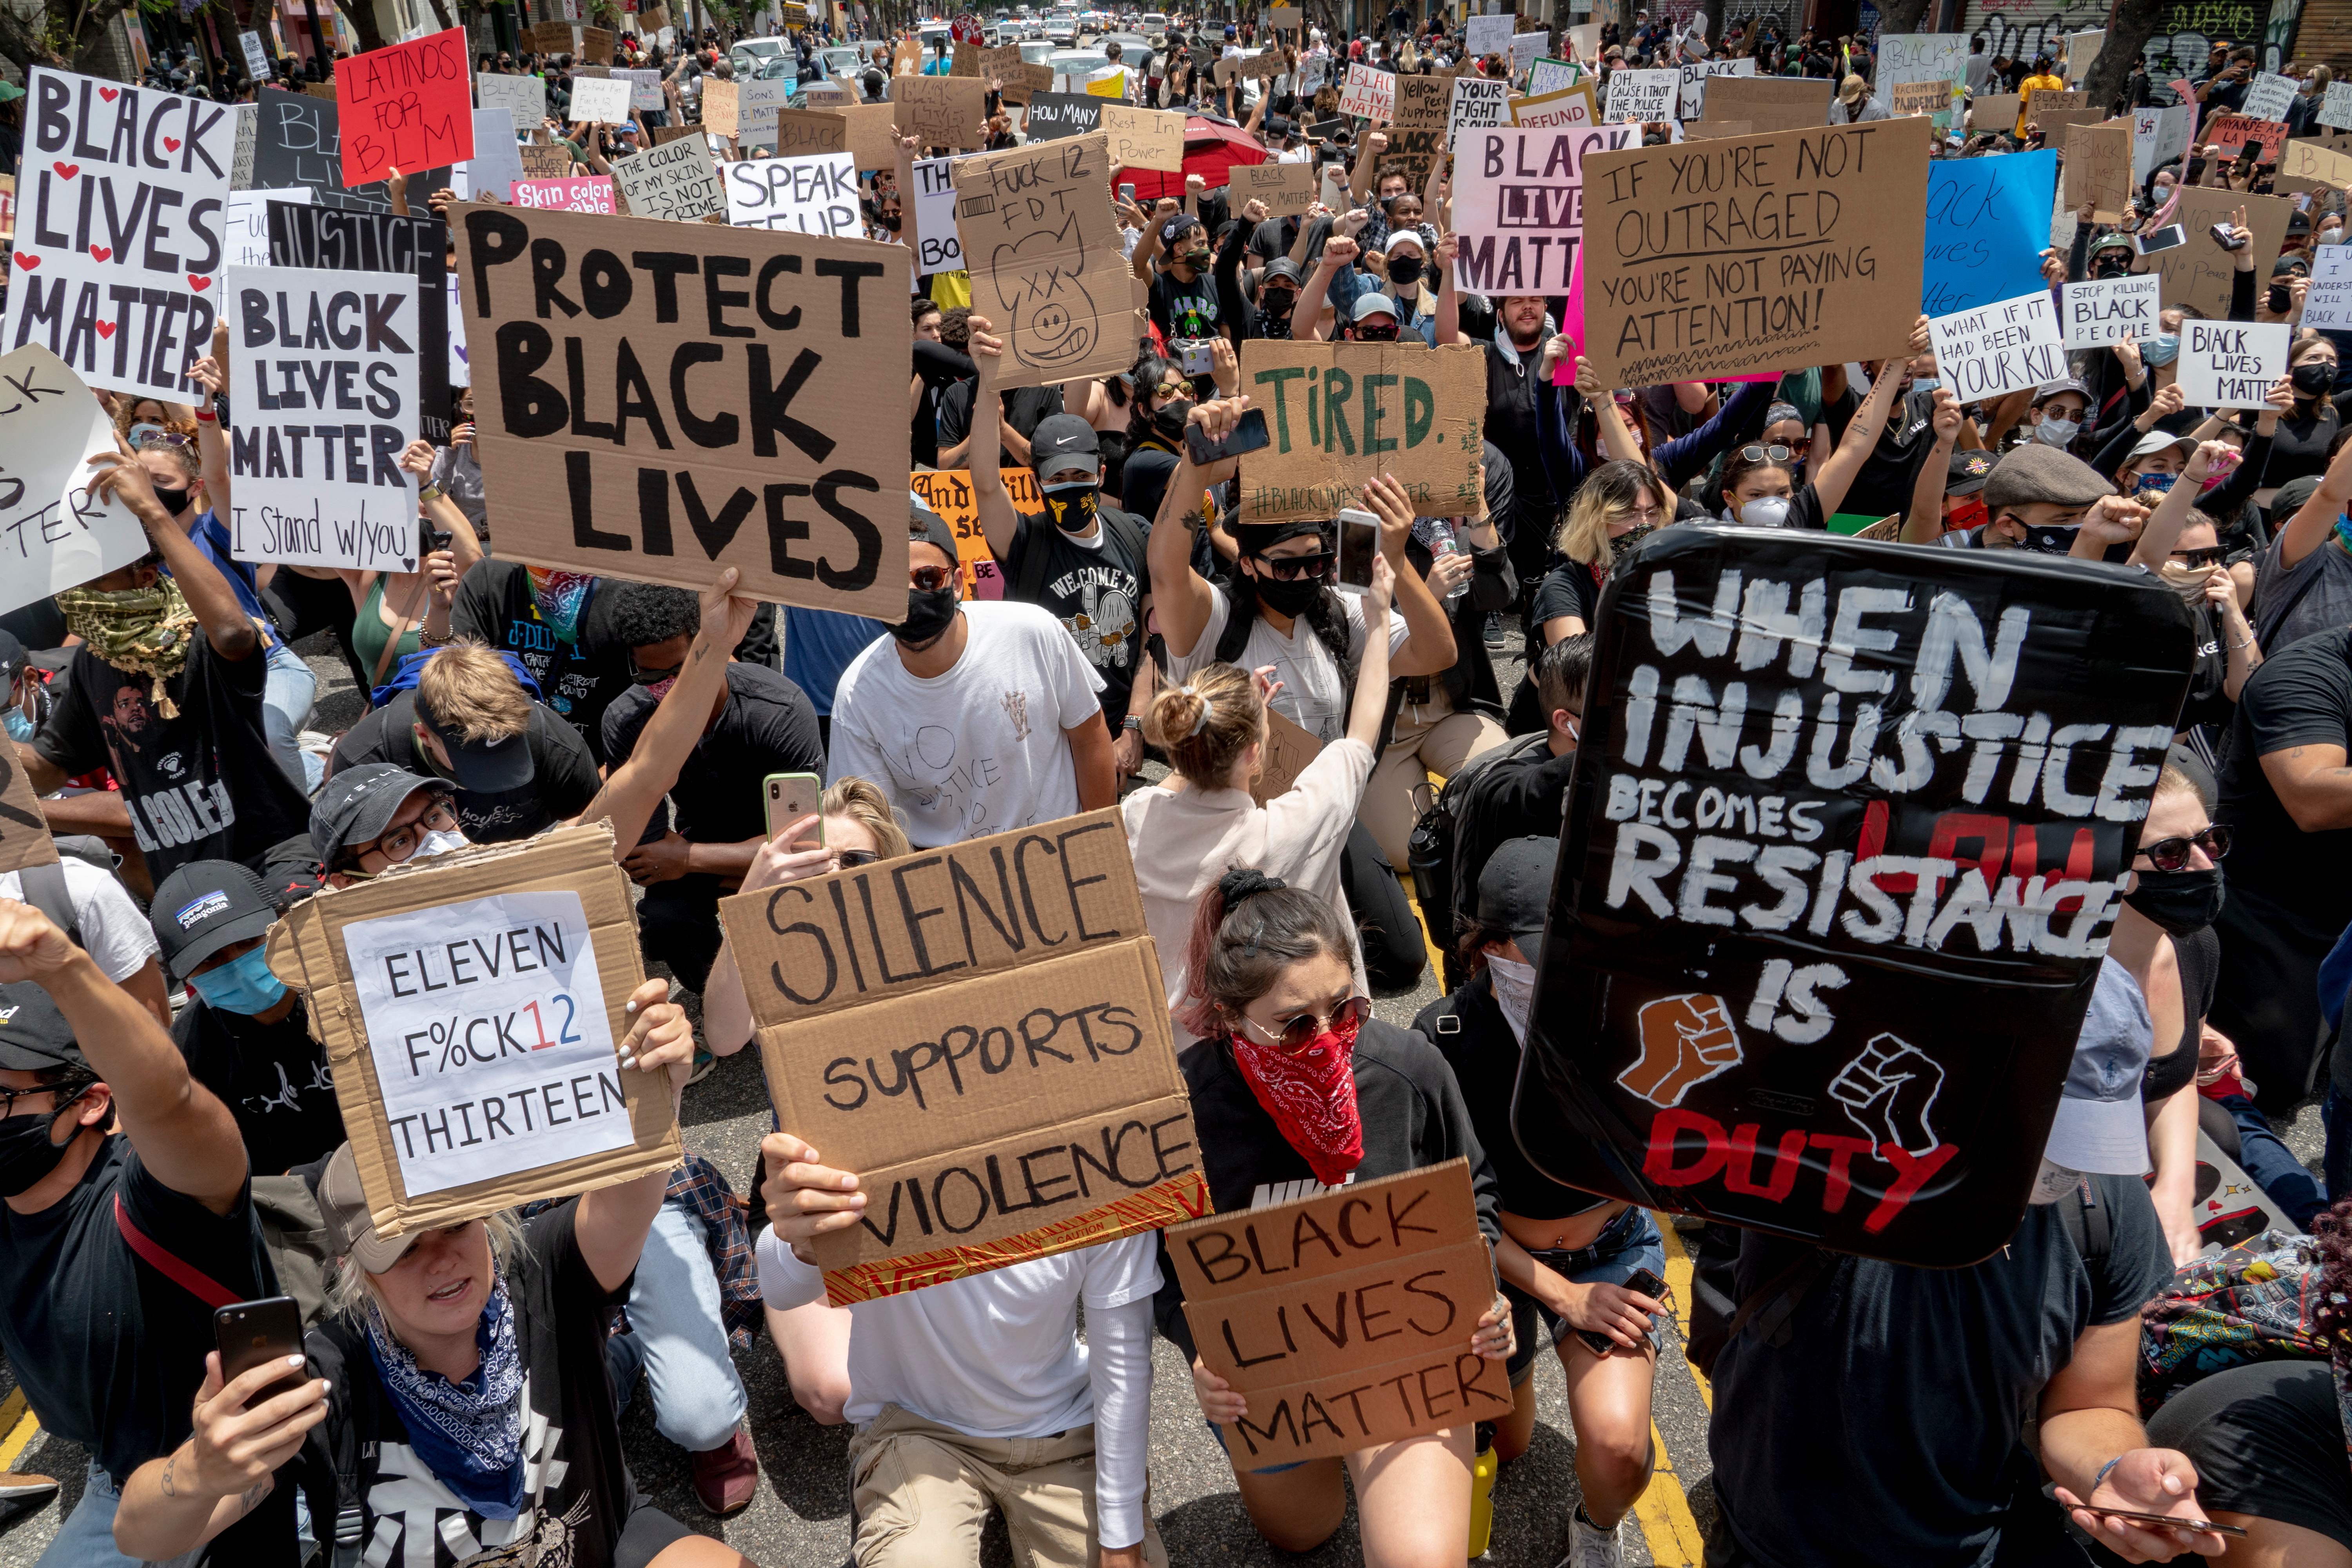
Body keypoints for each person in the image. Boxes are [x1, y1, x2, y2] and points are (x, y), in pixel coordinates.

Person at [111, 979, 742, 1568]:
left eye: (457, 1226)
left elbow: (627, 1197)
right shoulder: (323, 1382)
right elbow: (144, 1536)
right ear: (355, 1269)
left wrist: (658, 1085)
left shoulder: (542, 1279)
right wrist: (198, 1473)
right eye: (404, 1250)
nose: (442, 1259)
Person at [1702, 945, 2230, 1567]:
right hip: (1774, 1544)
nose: (2061, 1165)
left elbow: (2090, 1401)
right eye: (2043, 1131)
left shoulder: (2105, 1211)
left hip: (1971, 1543)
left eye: (2088, 1134)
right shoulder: (1818, 1155)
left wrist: (2114, 1469)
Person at [1164, 871, 1511, 1561]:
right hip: (1275, 1387)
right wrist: (1198, 1348)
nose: (1328, 1040)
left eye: (1343, 1010)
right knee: (1306, 1534)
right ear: (1233, 1020)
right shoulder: (1186, 1114)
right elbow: (1152, 1256)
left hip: (1407, 1362)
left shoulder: (1409, 1070)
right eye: (1294, 1025)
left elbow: (1474, 1191)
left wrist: (1481, 1286)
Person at [0, 897, 278, 1567]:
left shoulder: (162, 1199)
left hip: (243, 1476)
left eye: (0, 1096)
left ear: (90, 1101)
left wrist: (62, 968)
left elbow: (168, 1099)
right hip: (121, 1476)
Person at [1416, 837, 1665, 1568]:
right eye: (1533, 948)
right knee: (1512, 1443)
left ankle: (1595, 1526)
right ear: (1486, 947)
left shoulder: (1625, 1010)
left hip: (1612, 1251)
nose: (1557, 964)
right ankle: (1518, 1374)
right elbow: (1450, 1215)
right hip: (1497, 1260)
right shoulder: (1444, 1042)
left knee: (1621, 1449)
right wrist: (1564, 1297)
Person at [19, 436, 316, 889]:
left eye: (95, 577)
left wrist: (154, 515)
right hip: (186, 882)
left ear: (143, 576)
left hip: (268, 859)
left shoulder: (199, 639)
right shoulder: (90, 663)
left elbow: (236, 635)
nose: (78, 593)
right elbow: (46, 770)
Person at [1124, 550, 1396, 1045]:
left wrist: (1234, 720)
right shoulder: (1290, 828)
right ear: (1254, 753)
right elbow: (1364, 730)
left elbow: (1182, 778)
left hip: (1183, 1052)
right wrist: (1377, 621)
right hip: (1285, 1045)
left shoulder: (1136, 817)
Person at [827, 499, 1117, 846]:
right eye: (892, 585)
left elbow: (1089, 736)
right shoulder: (857, 696)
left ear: (959, 582)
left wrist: (1101, 843)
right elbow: (869, 824)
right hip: (950, 881)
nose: (912, 594)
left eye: (928, 578)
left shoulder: (1033, 632)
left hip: (1055, 853)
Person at [600, 583, 824, 995]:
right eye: (650, 675)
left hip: (775, 856)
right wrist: (695, 860)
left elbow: (805, 843)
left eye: (683, 671)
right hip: (723, 845)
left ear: (714, 648)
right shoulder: (627, 721)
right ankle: (720, 1002)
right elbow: (644, 856)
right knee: (666, 920)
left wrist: (688, 858)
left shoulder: (779, 710)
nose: (670, 686)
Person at [969, 326, 1157, 780]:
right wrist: (987, 383)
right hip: (1041, 748)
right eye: (1057, 477)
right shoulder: (1025, 542)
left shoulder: (1134, 535)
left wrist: (1133, 727)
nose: (1071, 486)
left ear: (1102, 472)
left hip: (1117, 741)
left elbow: (1154, 641)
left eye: (1081, 473)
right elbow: (986, 482)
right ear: (1037, 482)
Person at [149, 859, 344, 1177]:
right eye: (212, 958)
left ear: (283, 923)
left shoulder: (351, 992)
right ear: (185, 976)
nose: (238, 966)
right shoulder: (188, 1055)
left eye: (249, 942)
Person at [329, 643, 603, 846]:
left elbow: (595, 824)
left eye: (508, 752)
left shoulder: (555, 743)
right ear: (424, 736)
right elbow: (353, 862)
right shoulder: (368, 757)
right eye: (472, 760)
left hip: (528, 857)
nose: (493, 769)